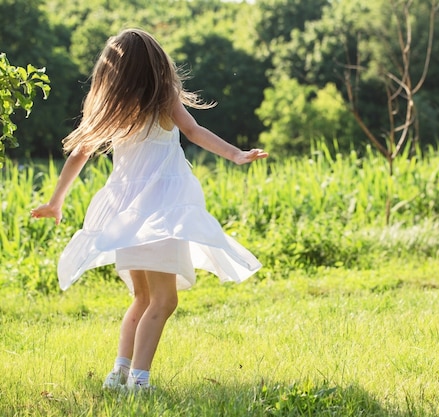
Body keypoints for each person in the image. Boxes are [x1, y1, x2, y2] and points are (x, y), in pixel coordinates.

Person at [30, 28, 268, 391]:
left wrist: (55, 202)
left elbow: (79, 154)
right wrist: (235, 154)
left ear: (112, 73)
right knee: (163, 299)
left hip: (123, 216)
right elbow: (193, 130)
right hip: (161, 212)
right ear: (158, 63)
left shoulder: (113, 106)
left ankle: (118, 374)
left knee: (142, 298)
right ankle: (139, 381)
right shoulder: (162, 97)